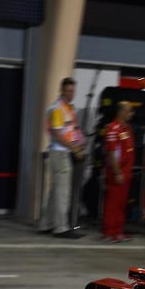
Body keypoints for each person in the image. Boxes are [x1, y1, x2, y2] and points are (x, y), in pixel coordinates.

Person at [38, 77, 85, 239]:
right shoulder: (57, 109)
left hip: (63, 152)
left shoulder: (67, 108)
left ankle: (46, 223)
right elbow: (58, 134)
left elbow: (72, 129)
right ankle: (61, 227)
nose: (71, 94)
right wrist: (75, 148)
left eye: (73, 91)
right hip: (60, 153)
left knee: (55, 191)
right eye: (69, 91)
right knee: (63, 192)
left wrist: (80, 143)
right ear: (62, 90)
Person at [101, 100, 135, 243]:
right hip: (117, 173)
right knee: (113, 203)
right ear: (121, 112)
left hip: (126, 172)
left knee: (121, 203)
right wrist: (117, 172)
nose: (131, 114)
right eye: (128, 111)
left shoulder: (126, 129)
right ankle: (109, 232)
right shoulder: (113, 129)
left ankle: (118, 230)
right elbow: (112, 153)